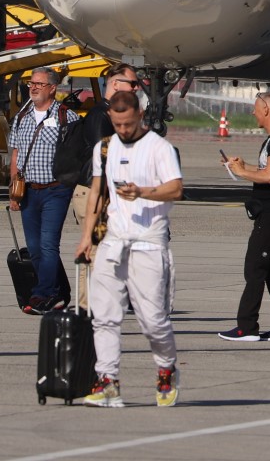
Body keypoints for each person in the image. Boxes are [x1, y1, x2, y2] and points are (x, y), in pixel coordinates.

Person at [73, 91, 184, 408]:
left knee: (153, 320)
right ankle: (108, 381)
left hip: (149, 241)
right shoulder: (104, 148)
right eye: (117, 123)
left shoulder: (159, 148)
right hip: (113, 240)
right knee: (104, 316)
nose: (122, 129)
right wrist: (86, 237)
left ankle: (166, 369)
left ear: (139, 115)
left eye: (127, 123)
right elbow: (97, 192)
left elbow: (176, 188)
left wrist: (143, 192)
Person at [218, 92, 270, 342]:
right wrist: (241, 167)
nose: (253, 113)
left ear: (266, 110)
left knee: (255, 267)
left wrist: (243, 173)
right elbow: (266, 171)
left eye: (255, 108)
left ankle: (247, 327)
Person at [8, 68, 78, 314]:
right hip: (28, 190)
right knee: (35, 246)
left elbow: (76, 156)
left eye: (39, 83)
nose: (33, 87)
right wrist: (14, 190)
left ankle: (43, 294)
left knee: (49, 244)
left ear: (52, 88)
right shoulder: (22, 116)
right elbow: (15, 152)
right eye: (31, 83)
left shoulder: (67, 117)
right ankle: (56, 291)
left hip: (55, 190)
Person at [67, 65, 130, 309]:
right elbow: (103, 163)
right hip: (94, 191)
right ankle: (87, 308)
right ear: (115, 85)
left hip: (103, 192)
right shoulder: (99, 116)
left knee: (105, 252)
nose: (137, 89)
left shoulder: (112, 115)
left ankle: (97, 305)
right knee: (93, 251)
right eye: (132, 84)